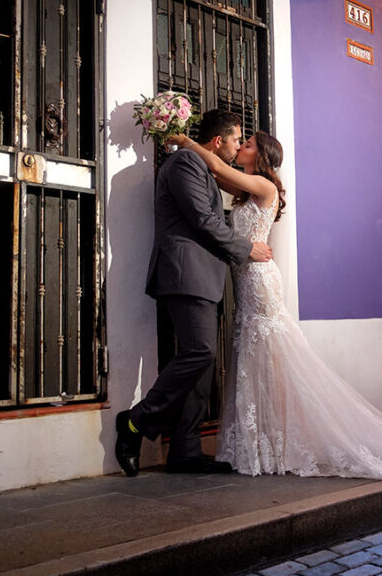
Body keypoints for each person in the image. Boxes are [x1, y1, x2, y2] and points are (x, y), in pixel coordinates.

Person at [166, 130, 382, 498]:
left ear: (262, 156)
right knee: (254, 358)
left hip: (259, 281)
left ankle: (273, 445)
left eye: (248, 144)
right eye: (240, 141)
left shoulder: (263, 186)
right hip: (245, 283)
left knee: (270, 355)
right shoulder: (245, 193)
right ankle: (260, 448)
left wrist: (184, 138)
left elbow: (214, 164)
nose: (240, 146)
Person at [115, 109, 273, 476]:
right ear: (219, 141)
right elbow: (203, 220)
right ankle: (136, 422)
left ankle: (185, 450)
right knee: (200, 352)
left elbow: (220, 201)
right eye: (237, 140)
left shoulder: (200, 164)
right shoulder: (185, 163)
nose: (238, 147)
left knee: (200, 365)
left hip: (205, 276)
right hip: (185, 273)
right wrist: (245, 248)